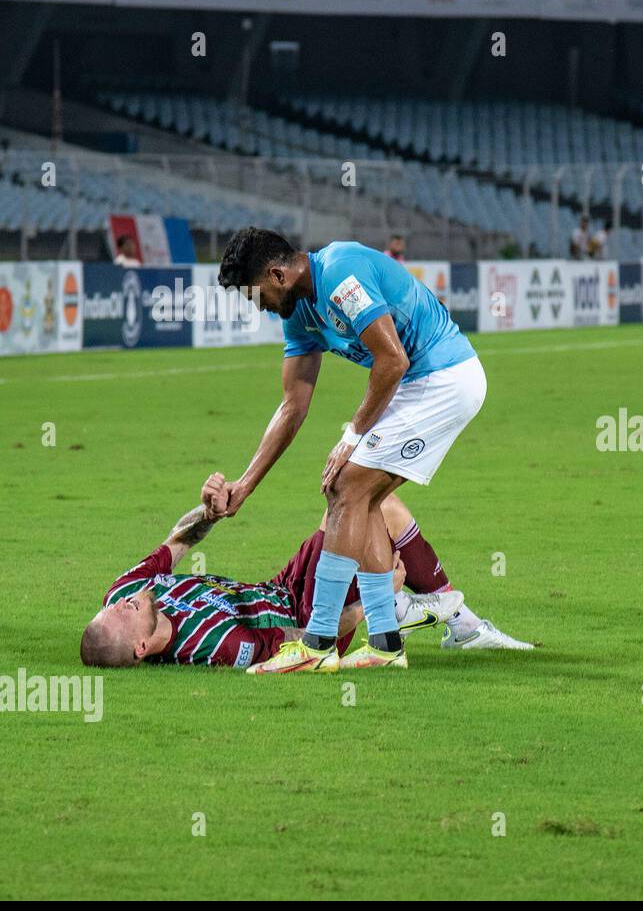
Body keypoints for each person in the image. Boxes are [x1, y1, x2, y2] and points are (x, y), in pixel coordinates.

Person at [212, 228, 487, 673]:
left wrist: (352, 436)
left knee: (345, 486)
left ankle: (317, 644)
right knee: (361, 499)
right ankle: (384, 645)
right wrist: (245, 484)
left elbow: (392, 359)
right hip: (416, 383)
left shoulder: (340, 275)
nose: (256, 307)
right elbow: (292, 405)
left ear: (277, 274)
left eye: (254, 294)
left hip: (442, 377)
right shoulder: (299, 312)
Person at [79, 477, 463, 671]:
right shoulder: (215, 646)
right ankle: (426, 617)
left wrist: (209, 514)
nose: (122, 603)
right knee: (364, 503)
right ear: (141, 649)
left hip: (281, 586)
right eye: (125, 613)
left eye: (114, 606)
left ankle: (451, 622)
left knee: (352, 502)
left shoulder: (129, 589)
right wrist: (370, 603)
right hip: (312, 618)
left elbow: (177, 542)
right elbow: (306, 643)